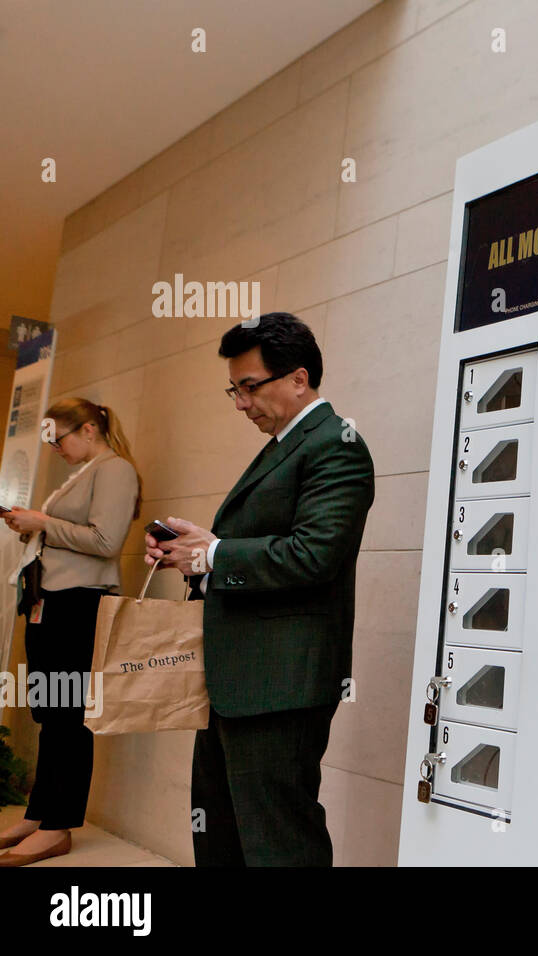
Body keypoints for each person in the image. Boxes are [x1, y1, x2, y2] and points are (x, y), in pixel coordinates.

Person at [145, 312, 374, 866]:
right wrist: (196, 555)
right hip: (237, 682)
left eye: (250, 387)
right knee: (221, 834)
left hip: (280, 685)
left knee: (278, 843)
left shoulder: (336, 445)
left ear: (298, 379)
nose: (243, 403)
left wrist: (215, 552)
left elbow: (313, 555)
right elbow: (260, 551)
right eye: (235, 390)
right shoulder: (284, 446)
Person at [0, 399, 141, 866]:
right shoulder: (82, 472)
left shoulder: (115, 470)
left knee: (68, 716)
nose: (56, 449)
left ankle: (58, 826)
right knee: (50, 713)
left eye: (58, 439)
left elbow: (106, 541)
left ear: (87, 429)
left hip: (80, 603)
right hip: (50, 600)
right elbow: (69, 536)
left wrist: (42, 523)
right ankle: (40, 814)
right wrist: (32, 527)